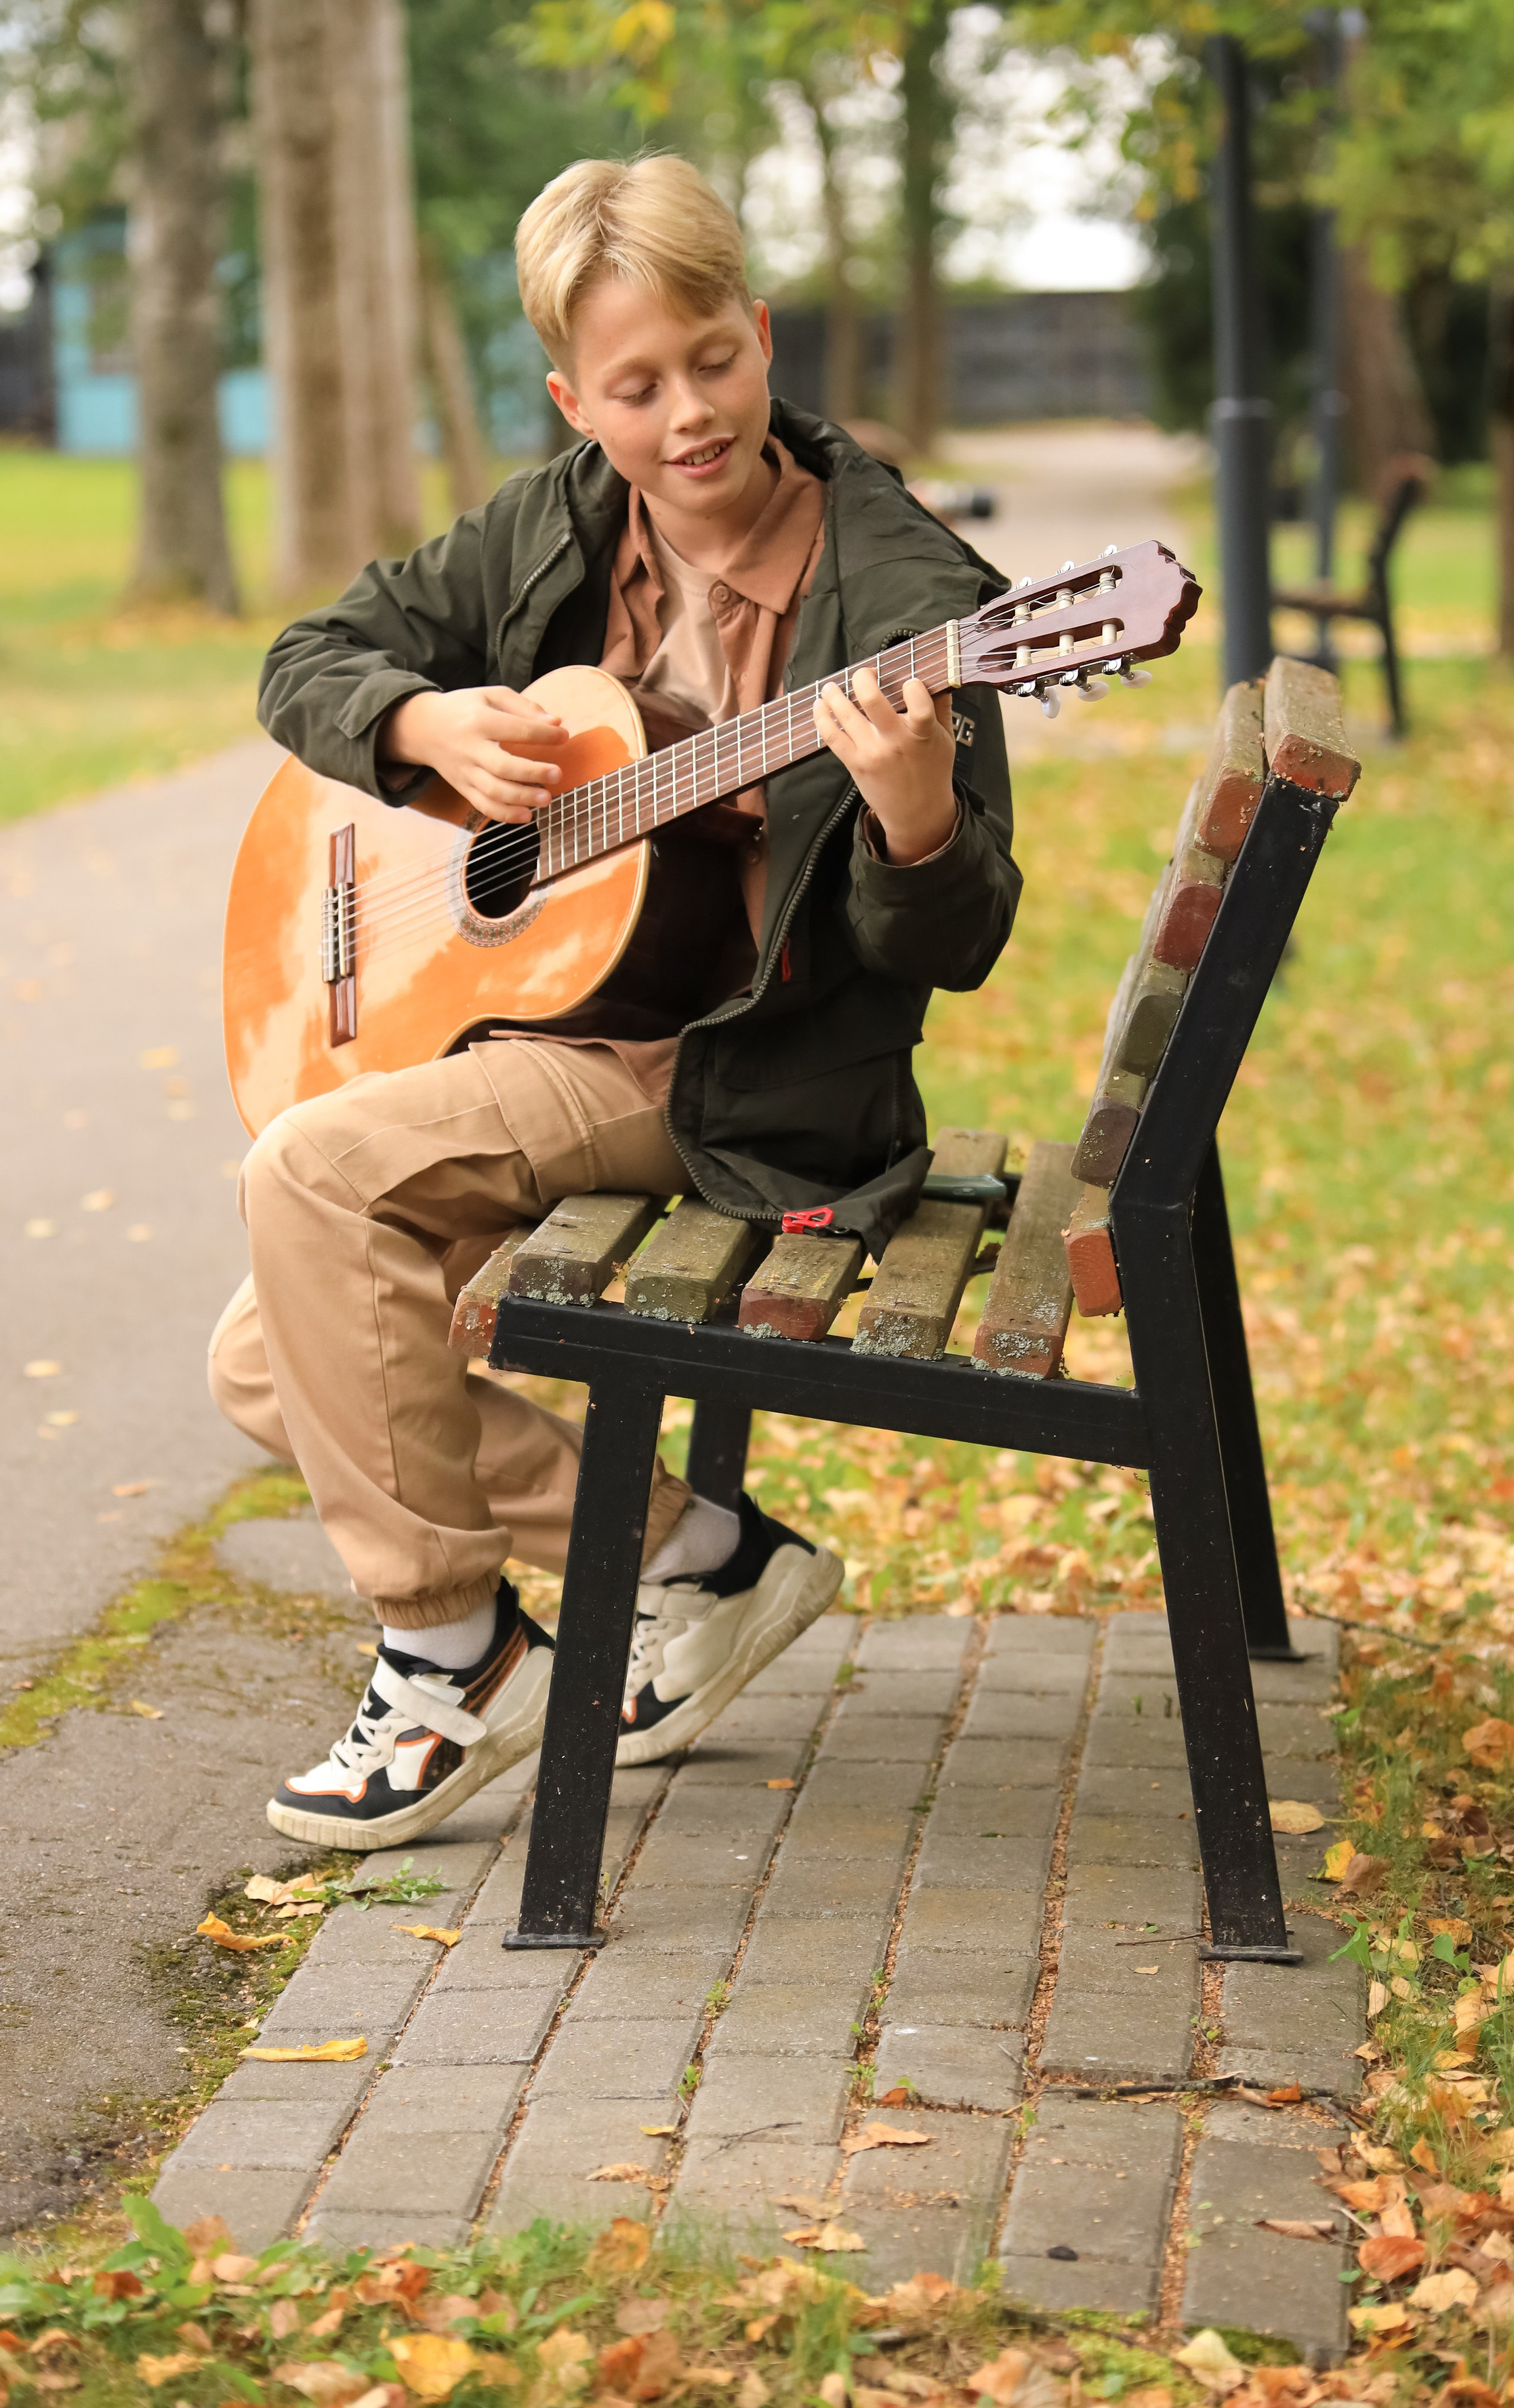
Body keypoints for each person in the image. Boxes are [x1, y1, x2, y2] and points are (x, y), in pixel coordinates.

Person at [209, 153, 1019, 1850]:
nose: (688, 417)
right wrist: (422, 733)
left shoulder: (904, 604)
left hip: (737, 1073)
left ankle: (450, 1656)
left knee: (307, 1184)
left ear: (760, 331)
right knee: (264, 1356)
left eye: (714, 361)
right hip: (548, 1029)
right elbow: (309, 657)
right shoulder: (556, 521)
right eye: (636, 388)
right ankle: (696, 1555)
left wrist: (918, 816)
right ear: (577, 399)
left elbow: (948, 942)